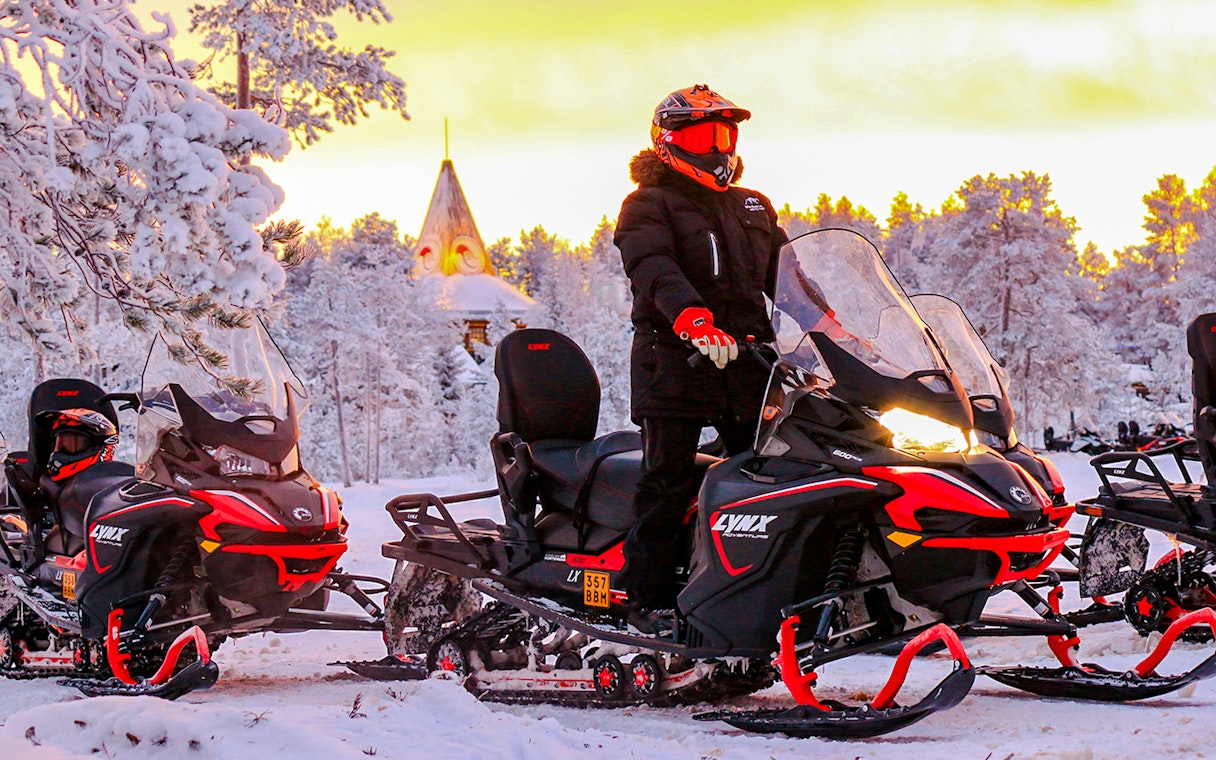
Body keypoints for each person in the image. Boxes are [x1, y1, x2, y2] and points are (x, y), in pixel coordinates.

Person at [613, 84, 788, 631]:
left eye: (723, 137)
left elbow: (788, 274)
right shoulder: (647, 205)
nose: (715, 149)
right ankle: (647, 599)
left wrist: (832, 323)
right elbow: (653, 266)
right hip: (676, 361)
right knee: (666, 480)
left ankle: (780, 592)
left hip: (749, 364)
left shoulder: (752, 206)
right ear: (667, 142)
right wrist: (691, 319)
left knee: (775, 476)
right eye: (701, 137)